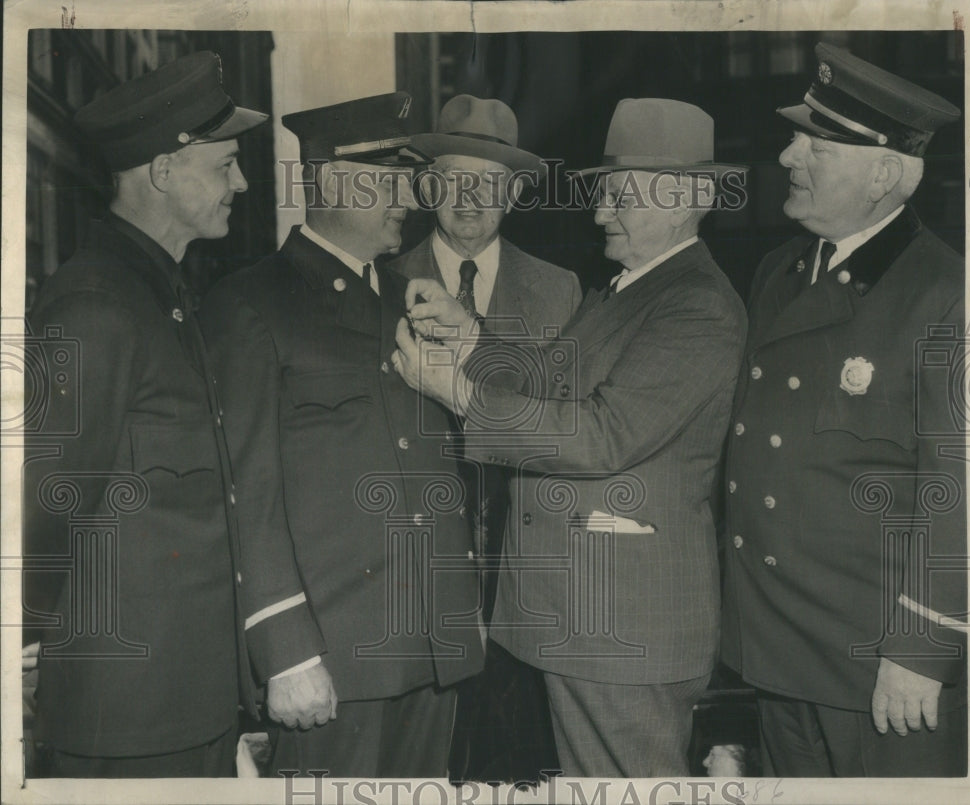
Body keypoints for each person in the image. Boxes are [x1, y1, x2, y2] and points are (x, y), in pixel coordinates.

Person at [394, 98, 748, 777]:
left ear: (684, 199)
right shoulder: (628, 288)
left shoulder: (697, 304)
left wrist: (458, 392)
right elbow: (552, 380)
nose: (597, 213)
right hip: (587, 625)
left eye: (619, 197)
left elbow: (601, 433)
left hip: (622, 630)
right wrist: (468, 334)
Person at [199, 92, 485, 779]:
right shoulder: (249, 305)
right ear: (328, 181)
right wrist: (285, 650)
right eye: (388, 181)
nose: (409, 200)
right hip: (331, 660)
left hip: (435, 654)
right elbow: (247, 492)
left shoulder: (408, 299)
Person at [720, 43, 967, 777]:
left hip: (877, 664)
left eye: (816, 144)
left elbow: (962, 492)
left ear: (884, 175)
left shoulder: (946, 296)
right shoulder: (780, 271)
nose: (790, 155)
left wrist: (921, 651)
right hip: (776, 645)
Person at [22, 51, 267, 777]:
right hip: (123, 723)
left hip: (183, 706)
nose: (243, 182)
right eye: (226, 165)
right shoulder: (97, 304)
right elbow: (44, 505)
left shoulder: (164, 296)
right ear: (163, 170)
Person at [389, 94, 580, 782]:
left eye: (490, 181)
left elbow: (565, 416)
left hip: (526, 577)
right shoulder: (381, 279)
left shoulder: (561, 292)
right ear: (425, 186)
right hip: (409, 573)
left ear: (517, 191)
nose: (468, 198)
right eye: (450, 179)